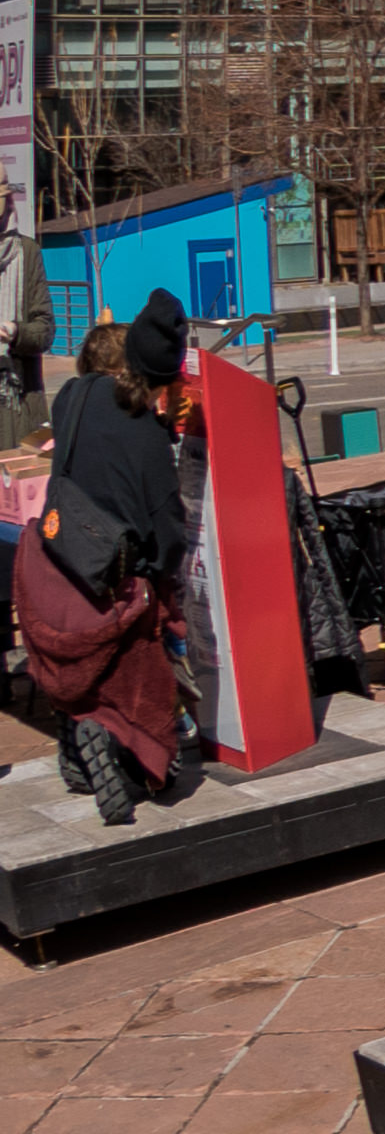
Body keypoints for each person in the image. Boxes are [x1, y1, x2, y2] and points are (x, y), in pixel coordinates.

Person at [15, 296, 203, 814]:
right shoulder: (147, 432)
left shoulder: (74, 394)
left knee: (86, 676)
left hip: (58, 553)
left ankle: (79, 728)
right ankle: (138, 750)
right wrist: (170, 579)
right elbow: (166, 531)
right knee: (152, 652)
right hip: (111, 573)